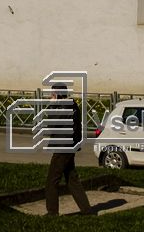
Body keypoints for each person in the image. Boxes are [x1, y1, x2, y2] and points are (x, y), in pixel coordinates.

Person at [44, 83, 95, 216]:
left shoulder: (63, 105)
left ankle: (52, 212)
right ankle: (87, 210)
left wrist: (52, 104)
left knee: (52, 181)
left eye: (52, 93)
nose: (50, 95)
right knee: (72, 180)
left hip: (63, 148)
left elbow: (52, 124)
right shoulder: (71, 104)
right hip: (69, 147)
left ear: (57, 94)